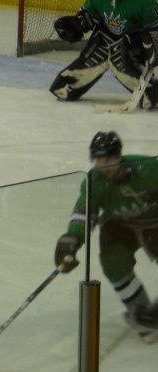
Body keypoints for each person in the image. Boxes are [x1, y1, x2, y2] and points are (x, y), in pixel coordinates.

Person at [54, 131, 158, 334]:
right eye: (99, 159)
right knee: (113, 262)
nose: (104, 165)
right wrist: (72, 237)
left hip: (155, 221)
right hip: (119, 225)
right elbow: (84, 211)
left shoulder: (147, 168)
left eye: (109, 158)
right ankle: (140, 311)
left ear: (119, 156)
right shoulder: (95, 181)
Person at [50, 0, 158, 107]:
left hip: (132, 41)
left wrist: (149, 48)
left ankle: (152, 92)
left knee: (148, 97)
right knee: (62, 89)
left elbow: (154, 28)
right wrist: (79, 24)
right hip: (105, 36)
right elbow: (89, 16)